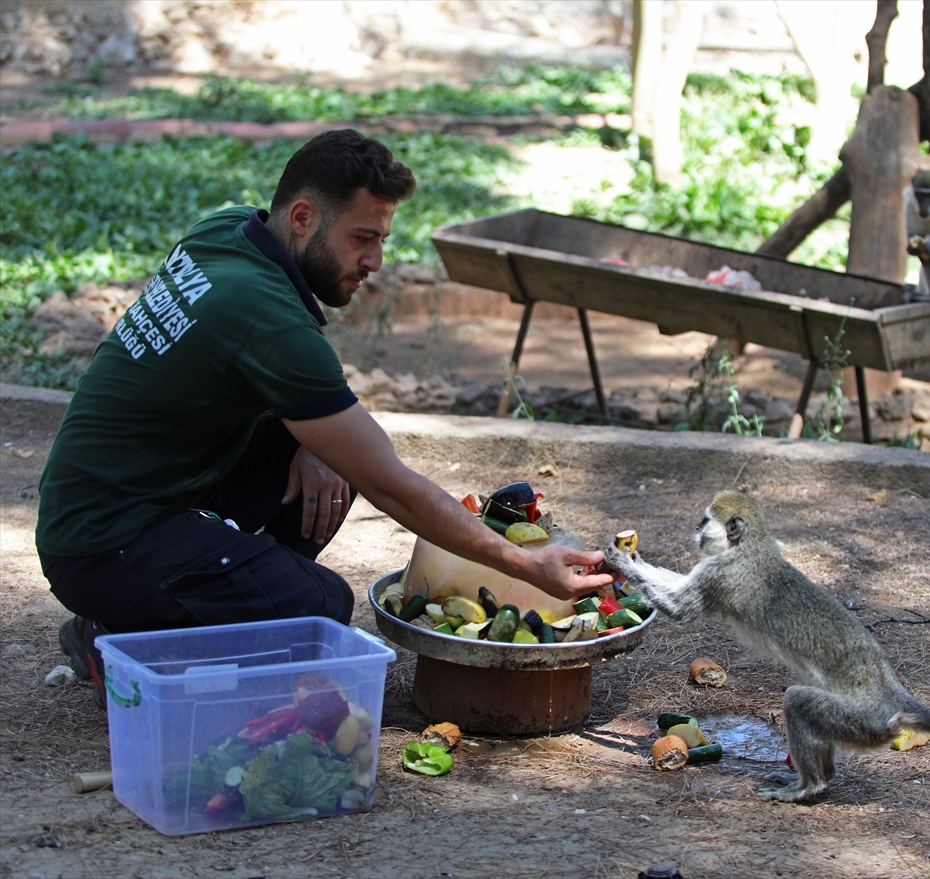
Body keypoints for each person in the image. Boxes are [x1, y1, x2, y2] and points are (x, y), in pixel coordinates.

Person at [37, 129, 611, 707]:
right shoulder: (266, 318)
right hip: (102, 542)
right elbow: (390, 484)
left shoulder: (231, 228)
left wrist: (309, 443)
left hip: (128, 497)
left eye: (382, 239)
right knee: (319, 606)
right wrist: (522, 562)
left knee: (327, 454)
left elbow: (267, 382)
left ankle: (220, 590)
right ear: (304, 217)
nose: (376, 262)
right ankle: (118, 635)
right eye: (362, 238)